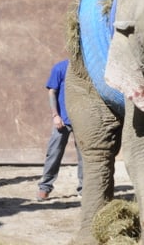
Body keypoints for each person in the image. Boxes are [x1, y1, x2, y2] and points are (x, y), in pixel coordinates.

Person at [37, 59, 83, 201]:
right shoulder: (61, 67)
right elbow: (52, 91)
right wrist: (55, 115)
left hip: (83, 121)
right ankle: (45, 187)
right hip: (62, 120)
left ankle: (84, 189)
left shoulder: (87, 67)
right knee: (54, 153)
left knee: (85, 156)